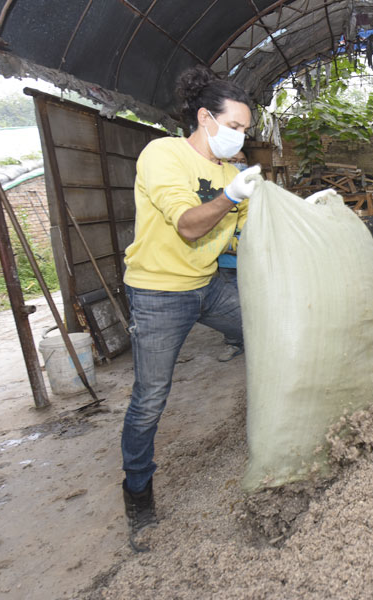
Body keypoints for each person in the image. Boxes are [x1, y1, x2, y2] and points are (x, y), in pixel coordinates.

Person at [120, 65, 261, 551]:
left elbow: (242, 241)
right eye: (236, 127)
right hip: (158, 291)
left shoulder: (230, 172)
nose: (240, 138)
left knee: (264, 329)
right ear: (206, 118)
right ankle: (138, 495)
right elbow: (188, 225)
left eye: (245, 130)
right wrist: (231, 195)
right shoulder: (163, 155)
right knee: (150, 398)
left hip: (207, 284)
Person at [215, 149, 248, 362]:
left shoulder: (253, 192)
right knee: (230, 304)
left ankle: (257, 341)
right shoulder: (219, 194)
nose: (239, 165)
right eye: (234, 161)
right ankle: (234, 342)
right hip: (228, 262)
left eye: (243, 161)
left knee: (253, 302)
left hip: (251, 263)